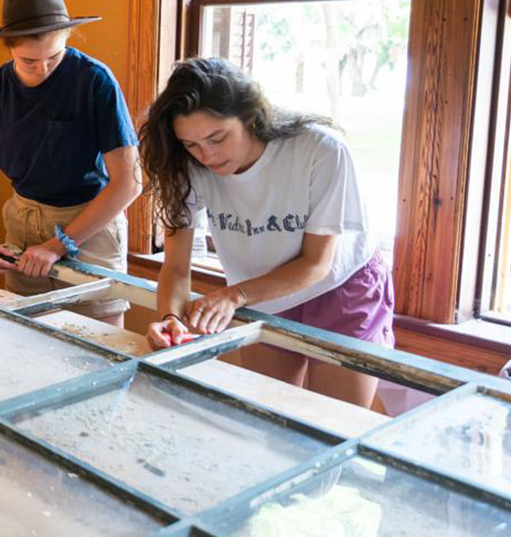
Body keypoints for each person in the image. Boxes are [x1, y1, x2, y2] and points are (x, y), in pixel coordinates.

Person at [138, 58, 394, 408]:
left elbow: (316, 264)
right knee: (268, 415)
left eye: (217, 137)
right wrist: (170, 318)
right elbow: (176, 268)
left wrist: (235, 295)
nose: (207, 155)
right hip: (261, 289)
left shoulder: (320, 151)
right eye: (191, 144)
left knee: (335, 422)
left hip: (341, 287)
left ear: (251, 118)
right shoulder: (188, 167)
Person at [0, 0, 142, 323]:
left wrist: (58, 245)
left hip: (91, 226)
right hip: (24, 224)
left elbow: (128, 182)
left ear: (68, 38)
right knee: (27, 343)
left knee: (101, 349)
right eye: (28, 61)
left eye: (54, 56)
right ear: (8, 48)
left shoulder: (95, 82)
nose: (44, 69)